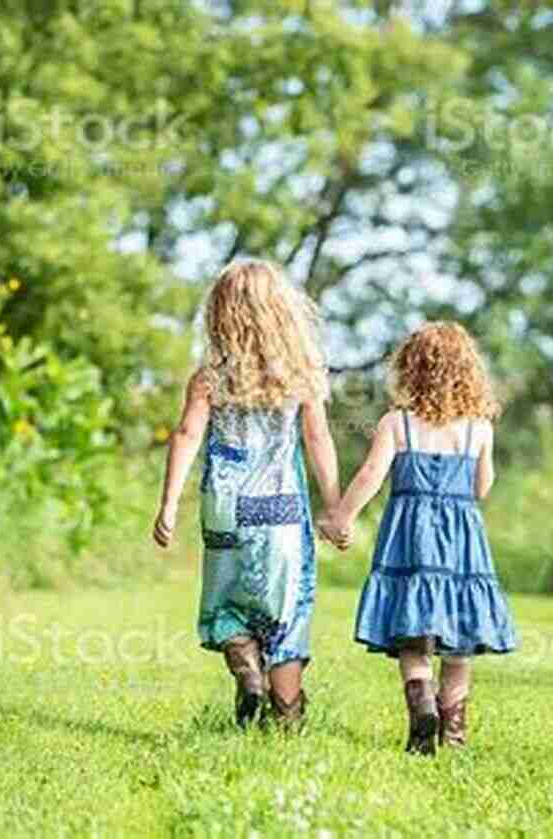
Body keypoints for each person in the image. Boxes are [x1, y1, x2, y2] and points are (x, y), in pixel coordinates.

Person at [153, 259, 341, 730]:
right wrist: (335, 505)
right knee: (286, 613)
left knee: (227, 606)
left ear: (220, 315)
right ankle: (285, 718)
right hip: (279, 508)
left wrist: (169, 504)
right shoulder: (302, 374)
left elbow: (185, 435)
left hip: (225, 507)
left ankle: (247, 672)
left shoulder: (210, 378)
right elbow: (318, 440)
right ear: (282, 312)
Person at [318, 322, 518, 754]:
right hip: (461, 540)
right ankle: (455, 734)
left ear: (411, 369)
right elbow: (482, 486)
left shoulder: (398, 423)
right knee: (459, 642)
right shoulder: (478, 428)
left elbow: (372, 474)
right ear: (469, 371)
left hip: (410, 535)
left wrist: (341, 517)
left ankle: (422, 704)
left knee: (412, 634)